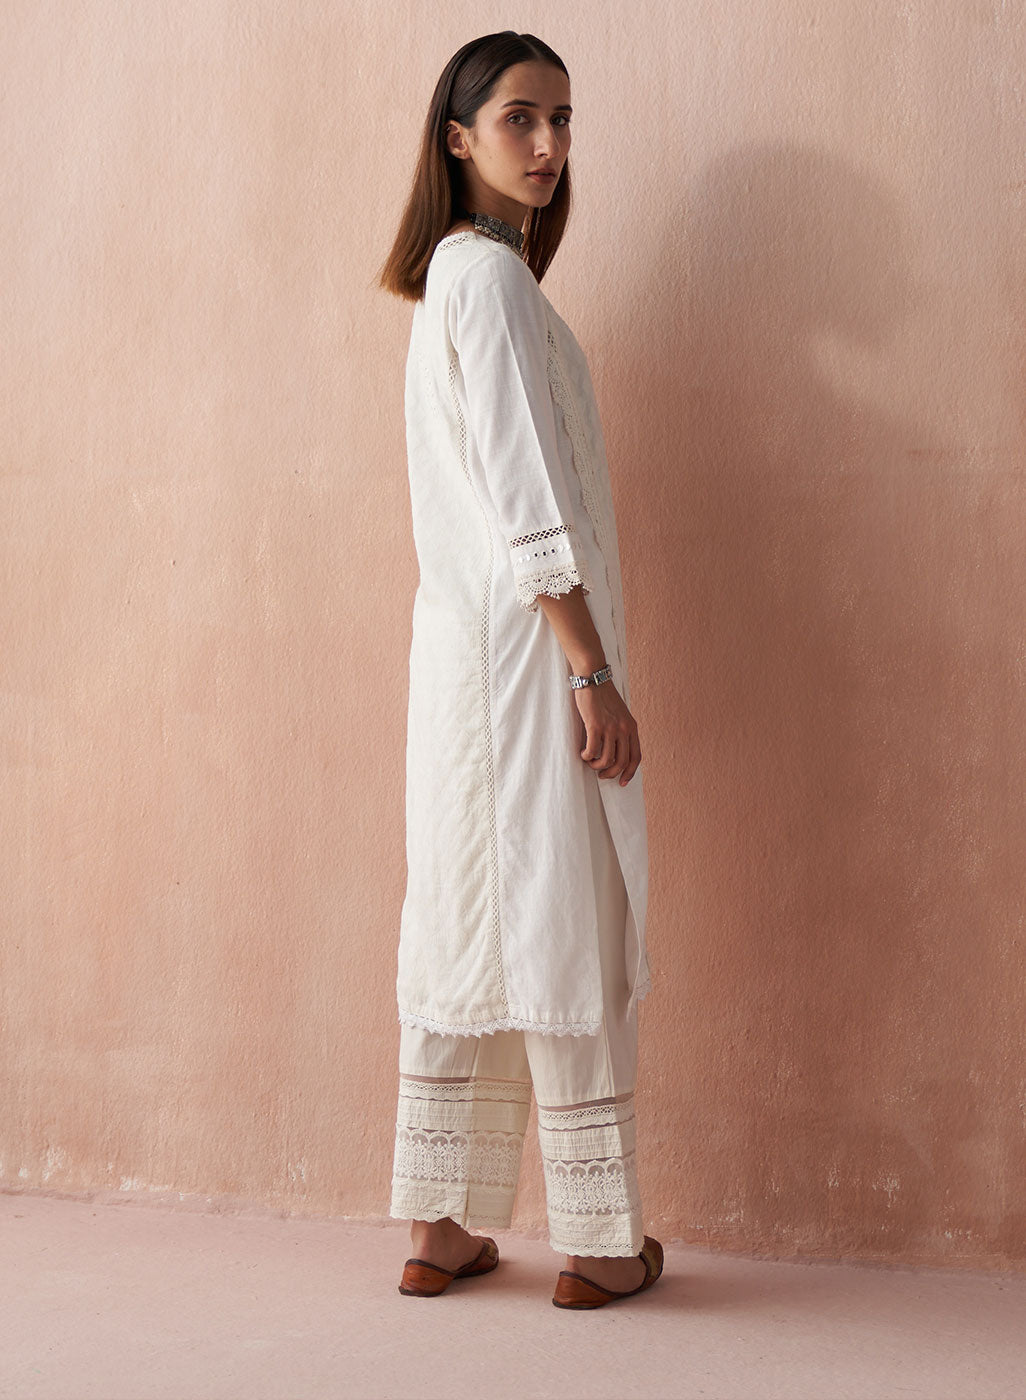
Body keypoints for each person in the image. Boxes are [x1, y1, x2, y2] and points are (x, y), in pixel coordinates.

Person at [377, 31, 662, 1310]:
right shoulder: (485, 277)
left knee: (469, 917)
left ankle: (441, 1225)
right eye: (518, 120)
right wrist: (590, 667)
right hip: (528, 661)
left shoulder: (467, 277)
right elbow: (525, 488)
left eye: (562, 119)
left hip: (463, 664)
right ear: (458, 138)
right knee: (560, 913)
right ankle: (599, 1241)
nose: (549, 145)